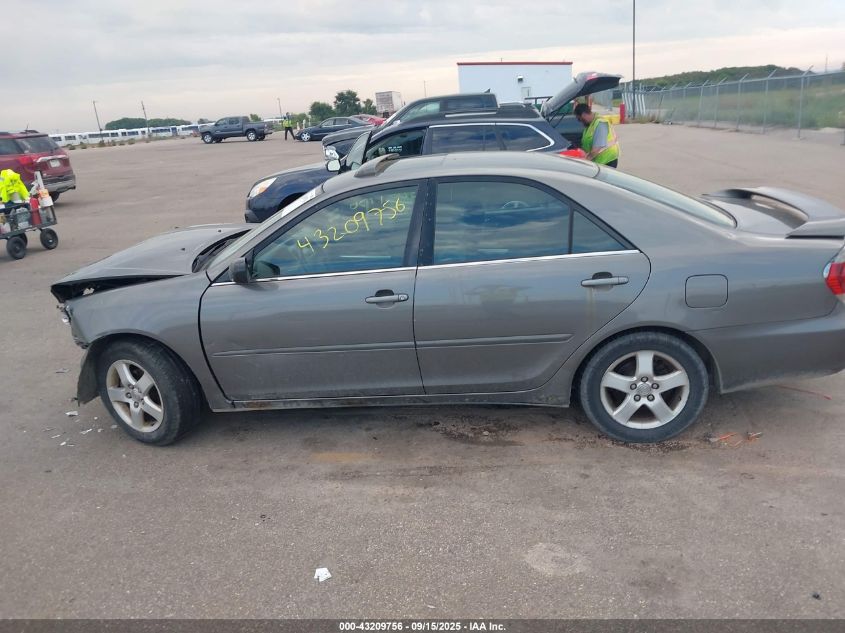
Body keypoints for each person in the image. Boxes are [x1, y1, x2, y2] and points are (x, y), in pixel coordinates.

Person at [574, 103, 619, 168]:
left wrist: (584, 162)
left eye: (579, 119)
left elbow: (596, 149)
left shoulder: (600, 124)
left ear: (584, 115)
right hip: (599, 161)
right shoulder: (590, 125)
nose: (580, 121)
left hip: (607, 160)